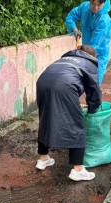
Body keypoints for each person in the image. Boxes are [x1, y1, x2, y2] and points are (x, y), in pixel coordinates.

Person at [36, 45, 102, 181]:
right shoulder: (89, 63)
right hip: (64, 86)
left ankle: (43, 159)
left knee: (45, 120)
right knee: (76, 124)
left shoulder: (65, 59)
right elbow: (94, 90)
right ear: (92, 56)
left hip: (42, 83)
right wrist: (93, 109)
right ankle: (78, 169)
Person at [65, 0, 111, 85]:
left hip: (99, 55)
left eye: (99, 5)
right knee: (83, 82)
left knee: (94, 84)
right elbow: (70, 17)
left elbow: (94, 45)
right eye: (93, 4)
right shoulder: (84, 7)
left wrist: (79, 54)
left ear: (104, 3)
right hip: (85, 51)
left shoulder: (104, 20)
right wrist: (73, 28)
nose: (95, 7)